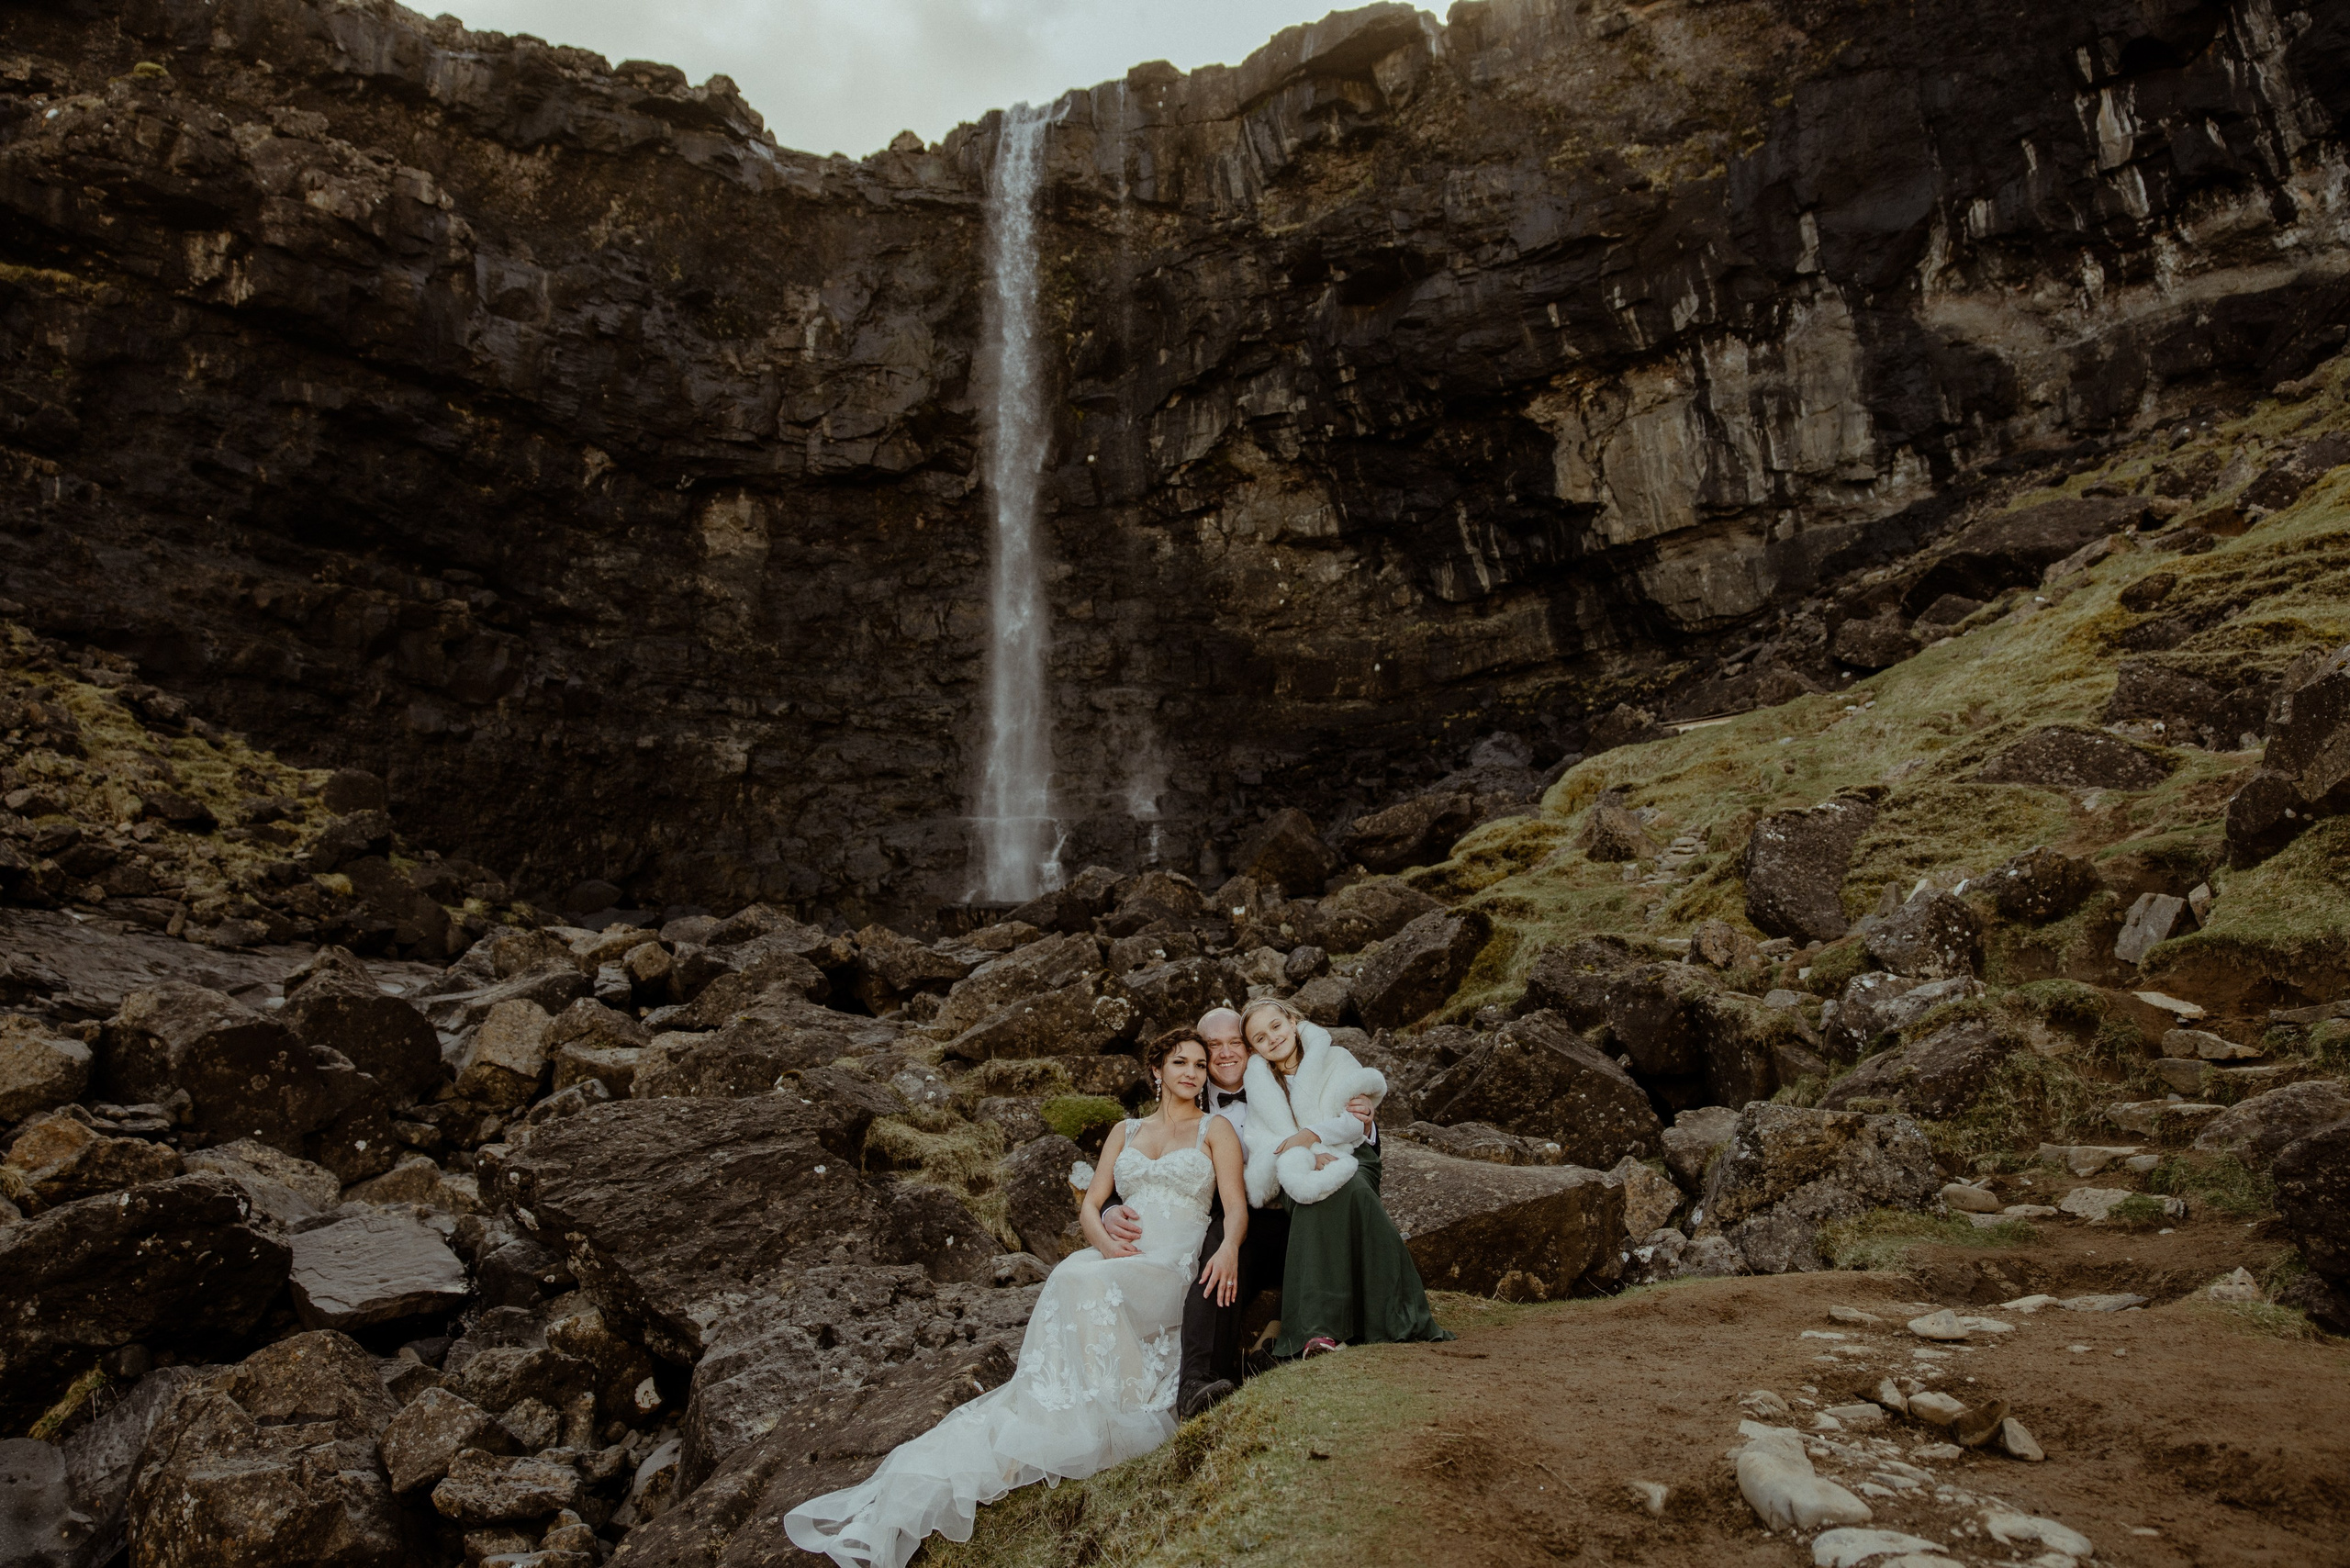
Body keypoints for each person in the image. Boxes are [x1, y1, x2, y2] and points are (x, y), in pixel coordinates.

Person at [783, 1028, 1248, 1568]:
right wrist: (1104, 1245)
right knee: (1071, 1274)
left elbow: (1235, 1208)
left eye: (1198, 1064)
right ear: (1157, 1070)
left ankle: (1119, 1408)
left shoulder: (1214, 1131)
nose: (1190, 1073)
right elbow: (1091, 1207)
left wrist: (1230, 1249)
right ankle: (1066, 1403)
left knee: (1082, 1281)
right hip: (1118, 1257)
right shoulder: (1125, 1130)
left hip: (1172, 1264)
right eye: (1179, 1062)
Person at [1099, 1006, 1370, 1417]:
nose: (1225, 1054)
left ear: (1250, 1046)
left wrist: (1363, 1117)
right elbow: (1139, 1170)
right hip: (1230, 1221)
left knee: (1281, 1240)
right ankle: (1200, 1381)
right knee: (1221, 1253)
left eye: (1235, 1043)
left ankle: (1282, 1345)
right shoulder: (1186, 1097)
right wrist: (1111, 1209)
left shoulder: (1289, 1079)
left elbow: (1342, 1119)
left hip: (1298, 1213)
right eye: (1213, 1046)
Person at [1238, 997, 1451, 1358]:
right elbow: (1264, 1143)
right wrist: (1305, 1155)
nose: (1272, 1038)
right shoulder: (1259, 1086)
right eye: (1260, 1038)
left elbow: (1356, 1119)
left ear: (1292, 1021)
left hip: (1354, 1155)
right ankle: (1317, 1334)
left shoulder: (1336, 1059)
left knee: (1350, 1190)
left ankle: (1392, 1317)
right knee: (1311, 1198)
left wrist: (1312, 1137)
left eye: (1276, 1026)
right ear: (1254, 1048)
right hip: (1295, 1169)